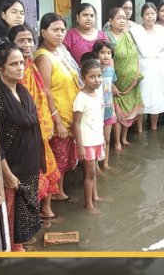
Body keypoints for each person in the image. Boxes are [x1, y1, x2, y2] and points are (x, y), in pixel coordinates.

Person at [5, 25, 62, 222]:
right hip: (27, 134)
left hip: (41, 130)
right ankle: (33, 220)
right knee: (34, 179)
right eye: (22, 41)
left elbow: (43, 94)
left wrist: (53, 119)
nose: (27, 44)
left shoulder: (30, 64)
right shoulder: (14, 72)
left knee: (48, 171)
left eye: (30, 40)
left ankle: (44, 213)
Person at [0, 42, 45, 251]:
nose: (20, 67)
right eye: (13, 64)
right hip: (13, 169)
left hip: (29, 164)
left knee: (24, 217)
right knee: (11, 217)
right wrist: (8, 174)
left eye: (21, 62)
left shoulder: (22, 91)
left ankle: (19, 248)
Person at [33, 13, 81, 203]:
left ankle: (59, 192)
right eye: (55, 30)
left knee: (66, 159)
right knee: (56, 162)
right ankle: (48, 205)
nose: (60, 34)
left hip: (70, 114)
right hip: (57, 118)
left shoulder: (60, 51)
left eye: (62, 30)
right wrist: (57, 121)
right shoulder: (43, 57)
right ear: (43, 32)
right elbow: (45, 91)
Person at [105, 7, 143, 149]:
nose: (122, 21)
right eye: (118, 18)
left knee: (129, 111)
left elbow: (135, 55)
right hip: (117, 82)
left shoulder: (128, 35)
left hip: (132, 82)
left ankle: (124, 138)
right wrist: (112, 83)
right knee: (118, 112)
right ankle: (116, 142)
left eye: (124, 18)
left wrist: (137, 74)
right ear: (110, 21)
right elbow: (107, 60)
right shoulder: (107, 37)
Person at [129, 2, 164, 131]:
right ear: (142, 16)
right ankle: (140, 129)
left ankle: (153, 128)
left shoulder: (163, 31)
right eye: (147, 14)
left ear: (156, 14)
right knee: (142, 98)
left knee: (156, 99)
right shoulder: (135, 31)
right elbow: (132, 53)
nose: (150, 17)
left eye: (152, 13)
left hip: (158, 69)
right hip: (142, 68)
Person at [73, 59, 106, 213]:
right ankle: (88, 205)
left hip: (96, 139)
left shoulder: (98, 94)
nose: (97, 80)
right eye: (92, 77)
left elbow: (98, 118)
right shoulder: (81, 97)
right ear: (84, 77)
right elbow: (76, 123)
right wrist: (79, 146)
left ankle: (96, 196)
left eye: (99, 76)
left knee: (94, 173)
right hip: (86, 142)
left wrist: (103, 139)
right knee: (90, 173)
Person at [92, 40, 117, 166]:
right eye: (102, 53)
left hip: (108, 110)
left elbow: (110, 91)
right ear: (96, 54)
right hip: (95, 112)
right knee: (97, 140)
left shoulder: (111, 71)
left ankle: (106, 164)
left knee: (107, 139)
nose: (106, 56)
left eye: (109, 53)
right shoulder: (93, 72)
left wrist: (113, 111)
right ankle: (95, 167)